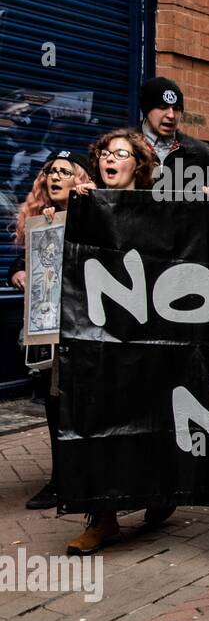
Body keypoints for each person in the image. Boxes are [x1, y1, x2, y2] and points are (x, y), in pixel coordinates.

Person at [65, 133, 175, 553]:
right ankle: (102, 517)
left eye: (121, 154)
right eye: (105, 154)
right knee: (97, 417)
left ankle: (157, 491)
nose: (111, 159)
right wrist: (75, 206)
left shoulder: (157, 211)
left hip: (147, 334)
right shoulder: (86, 204)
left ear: (138, 165)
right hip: (98, 335)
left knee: (147, 414)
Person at [9, 150, 93, 510]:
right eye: (50, 171)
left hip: (84, 326)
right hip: (48, 330)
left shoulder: (92, 213)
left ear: (79, 179)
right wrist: (18, 273)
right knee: (54, 403)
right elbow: (19, 263)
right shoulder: (38, 220)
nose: (55, 176)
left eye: (64, 171)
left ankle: (85, 477)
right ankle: (60, 479)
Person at [138, 76, 209, 195]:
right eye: (163, 107)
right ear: (146, 110)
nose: (171, 115)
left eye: (176, 108)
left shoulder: (200, 153)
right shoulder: (122, 149)